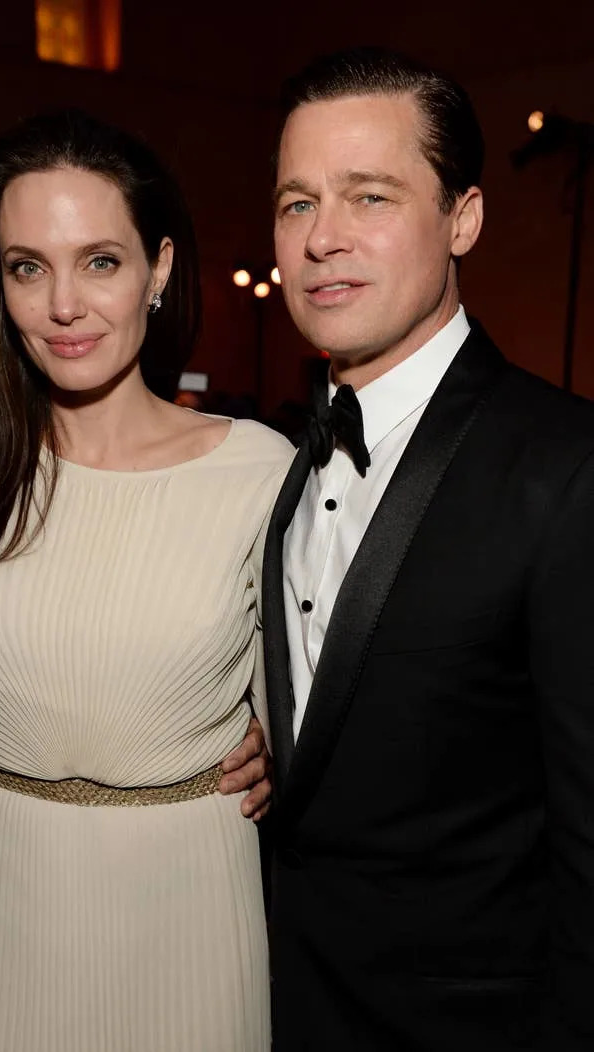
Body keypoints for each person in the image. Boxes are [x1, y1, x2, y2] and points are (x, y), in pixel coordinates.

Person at [0, 108, 293, 1052]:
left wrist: (279, 738)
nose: (64, 305)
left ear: (159, 270)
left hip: (186, 886)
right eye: (27, 267)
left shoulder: (258, 471)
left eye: (100, 260)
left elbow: (341, 684)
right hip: (0, 886)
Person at [262, 45, 594, 1051]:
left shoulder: (565, 469)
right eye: (295, 202)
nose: (321, 238)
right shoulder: (268, 460)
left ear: (463, 218)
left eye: (368, 196)